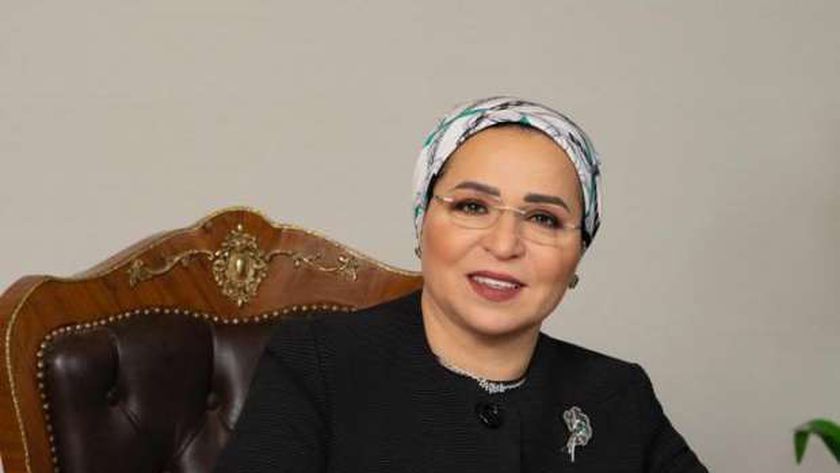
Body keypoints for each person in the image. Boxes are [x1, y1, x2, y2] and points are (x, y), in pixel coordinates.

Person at [213, 97, 708, 472]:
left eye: (543, 218)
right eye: (473, 206)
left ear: (578, 253)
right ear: (423, 224)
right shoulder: (319, 362)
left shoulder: (617, 394)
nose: (504, 244)